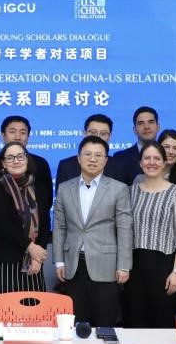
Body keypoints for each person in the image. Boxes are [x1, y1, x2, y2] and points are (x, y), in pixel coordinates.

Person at [52, 135, 131, 328]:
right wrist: (59, 260)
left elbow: (124, 229)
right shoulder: (64, 188)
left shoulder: (119, 189)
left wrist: (124, 265)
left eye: (98, 155)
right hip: (73, 265)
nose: (92, 159)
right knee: (77, 324)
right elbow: (60, 226)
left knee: (105, 322)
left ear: (106, 160)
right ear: (79, 158)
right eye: (87, 154)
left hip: (107, 265)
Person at [0, 115, 55, 287]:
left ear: (27, 159)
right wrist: (30, 246)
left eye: (23, 132)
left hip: (34, 259)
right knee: (3, 303)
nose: (18, 136)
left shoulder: (39, 178)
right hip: (3, 255)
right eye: (12, 131)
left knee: (34, 303)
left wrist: (38, 254)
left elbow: (44, 217)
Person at [125, 142, 176, 330]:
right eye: (147, 158)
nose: (151, 162)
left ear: (164, 162)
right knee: (135, 322)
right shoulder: (130, 191)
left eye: (156, 158)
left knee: (161, 322)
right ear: (140, 163)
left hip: (163, 268)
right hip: (134, 268)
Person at [55, 114, 124, 188]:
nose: (97, 137)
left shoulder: (119, 167)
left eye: (103, 134)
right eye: (93, 132)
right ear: (84, 133)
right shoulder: (66, 166)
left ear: (110, 136)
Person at [111, 106, 160, 185]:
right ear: (134, 130)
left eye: (150, 122)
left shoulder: (167, 155)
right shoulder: (120, 158)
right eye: (141, 123)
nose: (146, 127)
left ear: (158, 127)